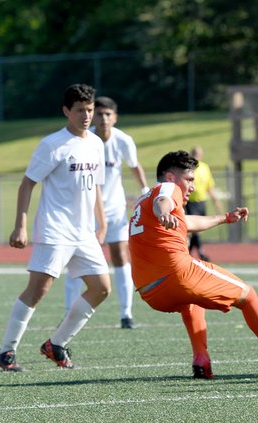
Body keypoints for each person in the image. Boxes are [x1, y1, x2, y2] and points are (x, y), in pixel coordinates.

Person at [128, 150, 258, 379]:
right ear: (170, 177)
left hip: (150, 291)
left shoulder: (141, 201)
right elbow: (163, 200)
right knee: (249, 295)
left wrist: (224, 218)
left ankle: (201, 359)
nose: (193, 187)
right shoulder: (166, 188)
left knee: (192, 301)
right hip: (177, 275)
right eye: (189, 179)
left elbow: (188, 221)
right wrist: (164, 211)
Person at [0, 83, 111, 371]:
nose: (86, 116)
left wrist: (102, 221)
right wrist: (20, 225)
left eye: (90, 110)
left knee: (101, 288)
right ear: (66, 111)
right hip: (55, 229)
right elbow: (27, 184)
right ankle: (6, 353)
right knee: (39, 289)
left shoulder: (96, 143)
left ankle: (55, 344)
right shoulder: (52, 144)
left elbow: (95, 186)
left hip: (84, 232)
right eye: (80, 110)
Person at [64, 96, 148, 329]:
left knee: (121, 255)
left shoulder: (123, 141)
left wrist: (145, 192)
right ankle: (68, 312)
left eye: (108, 114)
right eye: (99, 114)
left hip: (114, 210)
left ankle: (126, 313)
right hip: (85, 211)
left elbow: (134, 166)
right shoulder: (84, 140)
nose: (103, 118)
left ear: (115, 117)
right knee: (75, 258)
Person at [185, 146, 223, 261]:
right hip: (190, 202)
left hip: (201, 201)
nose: (197, 155)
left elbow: (209, 186)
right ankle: (200, 252)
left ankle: (189, 253)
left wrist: (215, 200)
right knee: (193, 229)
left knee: (199, 230)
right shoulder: (188, 168)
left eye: (198, 153)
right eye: (195, 153)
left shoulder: (205, 167)